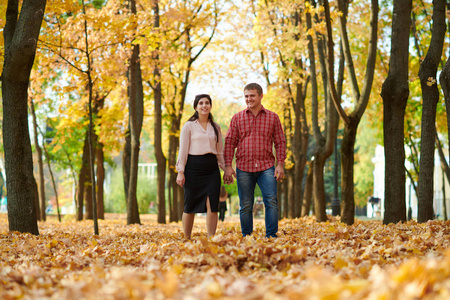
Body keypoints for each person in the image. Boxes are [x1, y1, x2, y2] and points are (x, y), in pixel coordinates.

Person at [223, 83, 286, 238]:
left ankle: (271, 235)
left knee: (271, 201)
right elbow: (230, 142)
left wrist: (280, 164)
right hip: (244, 167)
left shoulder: (273, 117)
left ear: (260, 96)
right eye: (246, 96)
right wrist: (228, 166)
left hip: (267, 167)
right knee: (245, 205)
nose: (249, 99)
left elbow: (280, 142)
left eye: (252, 95)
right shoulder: (237, 118)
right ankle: (247, 236)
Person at [176, 94, 225, 240]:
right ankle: (187, 237)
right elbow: (183, 150)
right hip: (193, 168)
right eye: (201, 103)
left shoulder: (216, 127)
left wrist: (226, 169)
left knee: (213, 205)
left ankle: (211, 238)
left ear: (210, 106)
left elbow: (220, 152)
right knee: (190, 204)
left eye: (207, 103)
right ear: (196, 107)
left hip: (211, 169)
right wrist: (181, 172)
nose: (204, 105)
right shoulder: (188, 126)